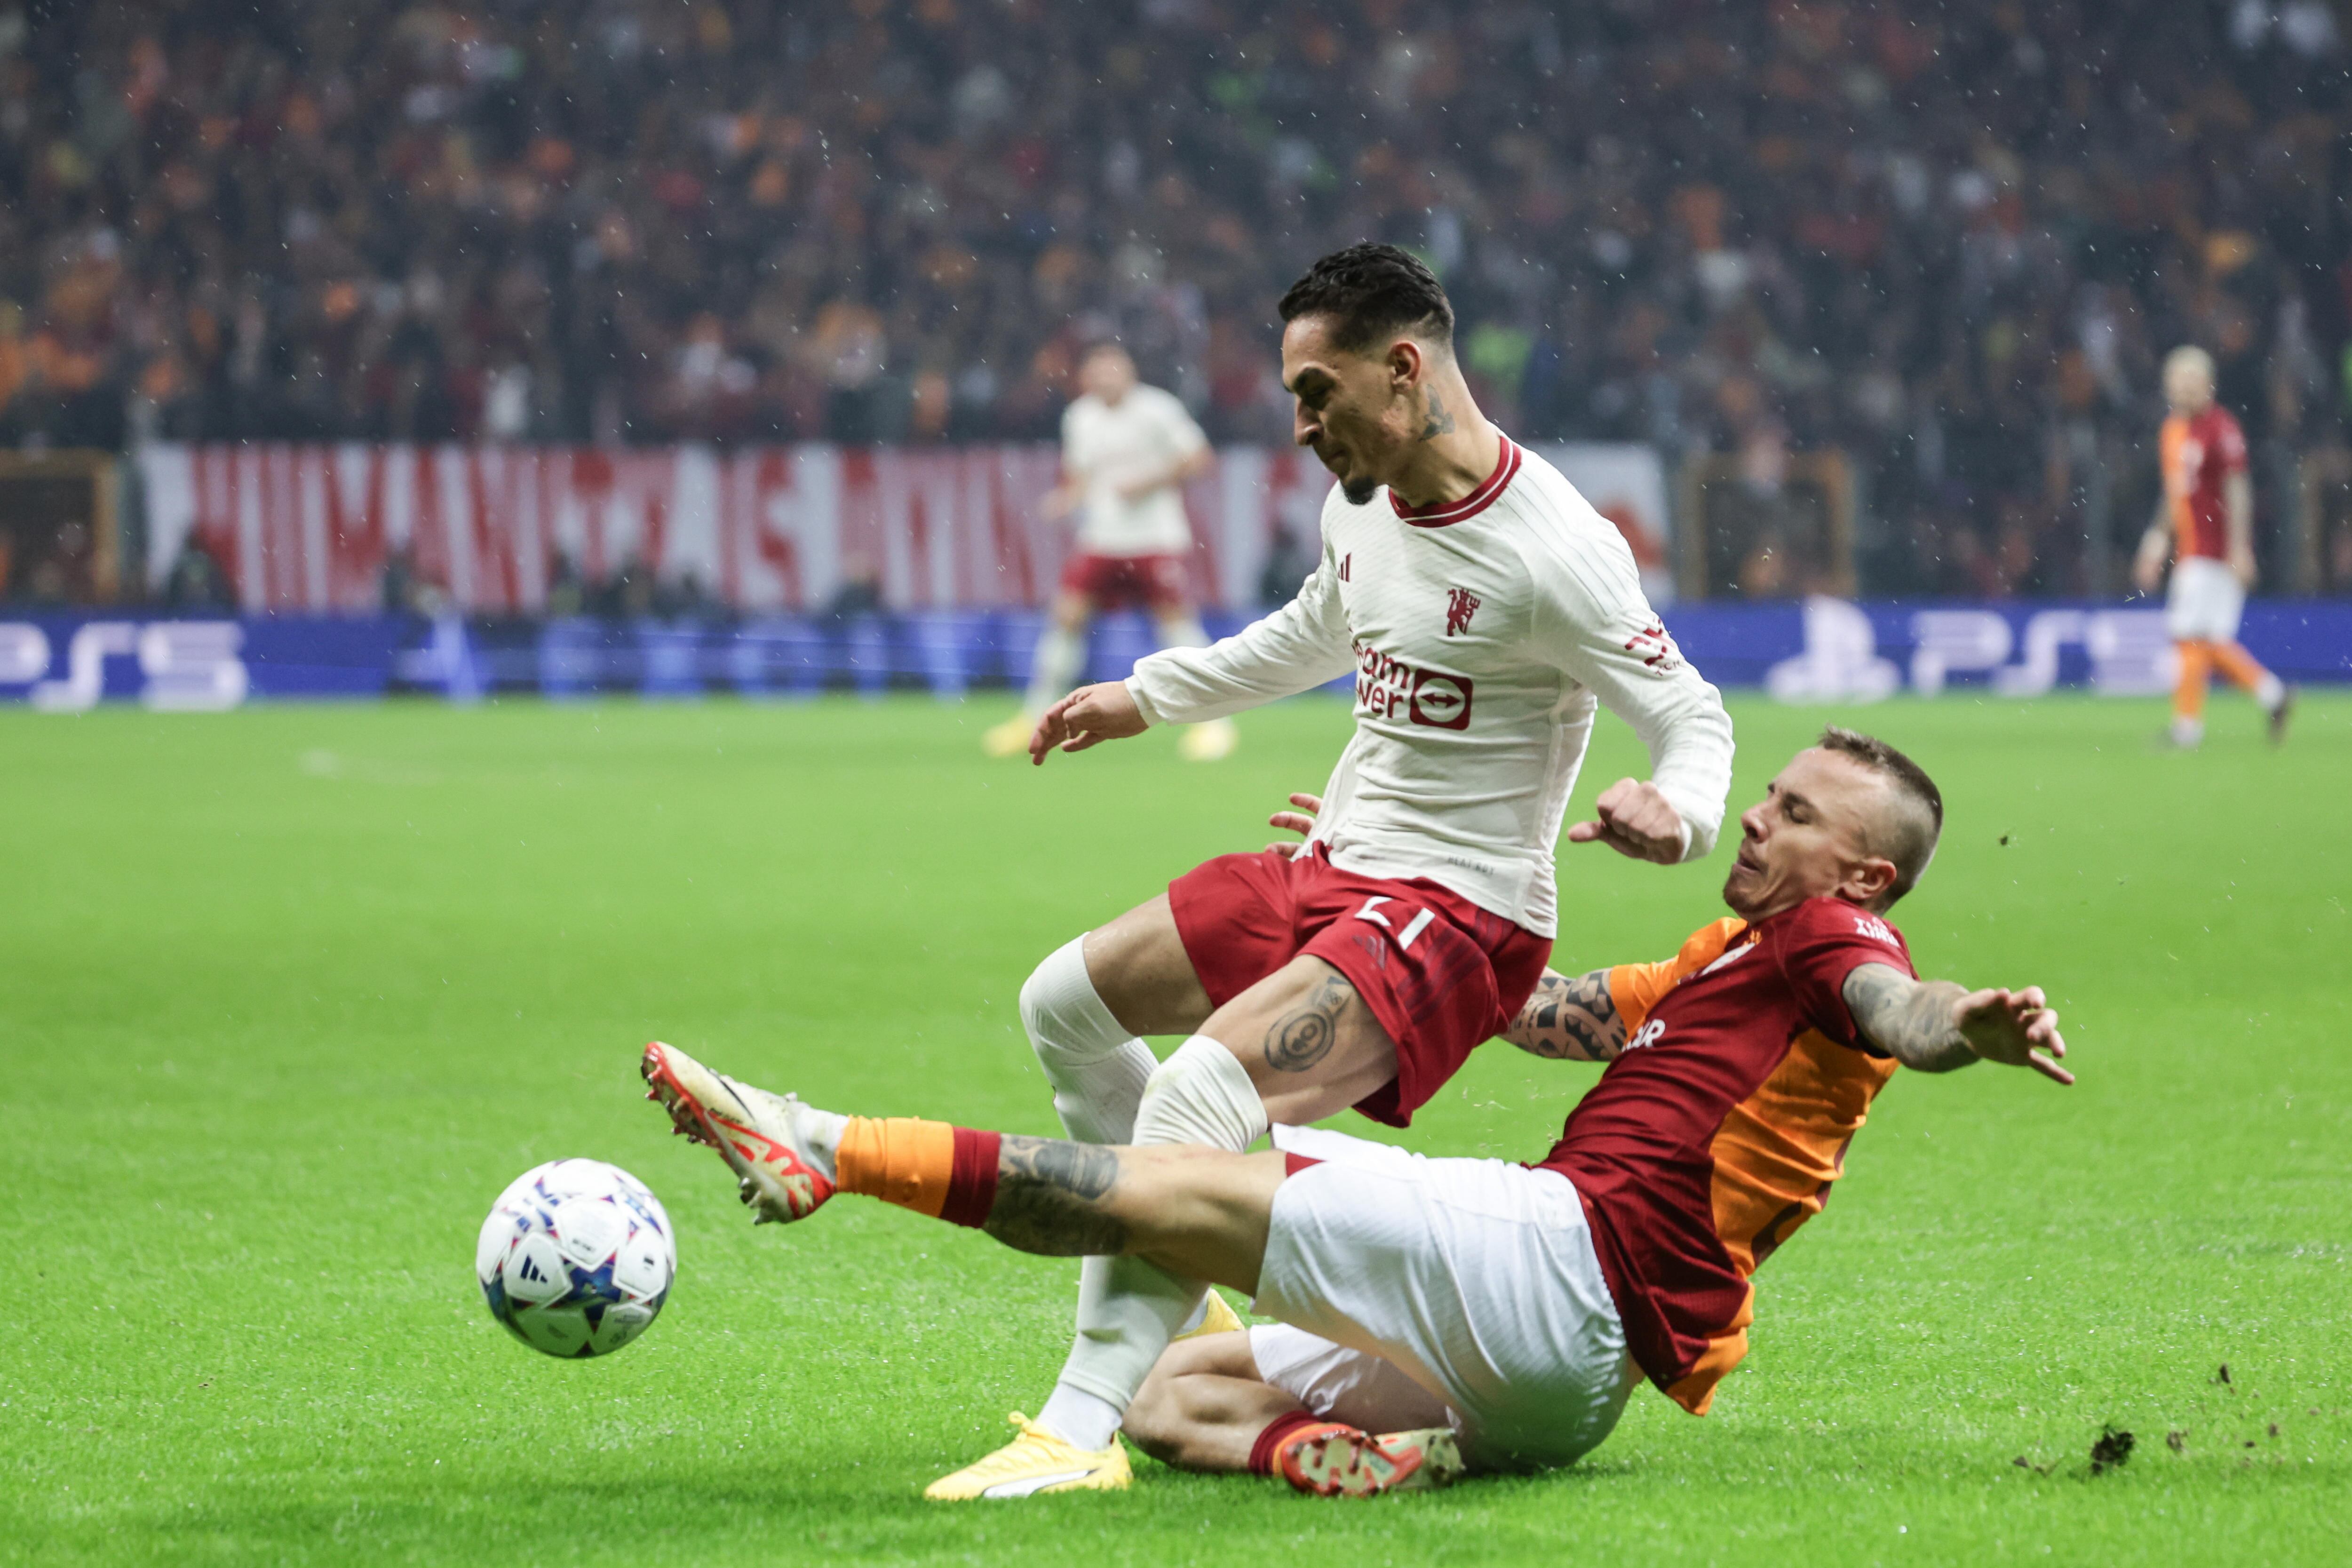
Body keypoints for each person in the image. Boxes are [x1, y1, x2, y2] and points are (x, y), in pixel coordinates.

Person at [760, 243, 1735, 1497]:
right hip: (1335, 861)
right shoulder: (1363, 506)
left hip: (1457, 914)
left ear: (1404, 368)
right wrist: (1141, 695)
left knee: (1195, 1106)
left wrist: (1681, 807)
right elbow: (1312, 633)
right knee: (1062, 1001)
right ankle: (1191, 1309)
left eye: (1317, 391)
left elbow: (1691, 714)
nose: (1300, 425)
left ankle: (1075, 1431)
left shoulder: (1553, 547)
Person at [639, 727, 2070, 1498]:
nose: (1757, 820)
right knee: (1166, 1394)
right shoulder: (1726, 961)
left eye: (1798, 812)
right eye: (1765, 796)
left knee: (1168, 1179)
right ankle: (1379, 1456)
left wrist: (1970, 1027)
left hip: (1552, 1259)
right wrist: (1385, 862)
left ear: (1865, 876)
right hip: (1560, 1391)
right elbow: (1525, 1004)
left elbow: (1905, 1013)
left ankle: (817, 1144)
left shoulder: (1841, 951)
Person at [982, 343, 1235, 762]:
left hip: (1155, 538)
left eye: (1112, 372)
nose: (1105, 381)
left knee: (1175, 628)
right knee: (1066, 618)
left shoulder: (1159, 409)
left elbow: (1199, 460)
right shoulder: (1079, 416)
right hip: (1102, 538)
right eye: (1097, 374)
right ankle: (1034, 716)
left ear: (1129, 373)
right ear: (1086, 379)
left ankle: (1214, 725)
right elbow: (1082, 477)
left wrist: (1148, 481)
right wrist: (1066, 499)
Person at [2131, 345, 2293, 748]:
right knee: (2208, 640)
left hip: (2214, 551)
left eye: (2192, 380)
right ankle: (2273, 695)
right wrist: (2155, 542)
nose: (2184, 388)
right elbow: (2174, 494)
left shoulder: (2221, 428)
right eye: (2178, 380)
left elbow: (2237, 488)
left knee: (2189, 635)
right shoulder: (2171, 430)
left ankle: (2188, 729)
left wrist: (2240, 548)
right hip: (2190, 550)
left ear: (2209, 385)